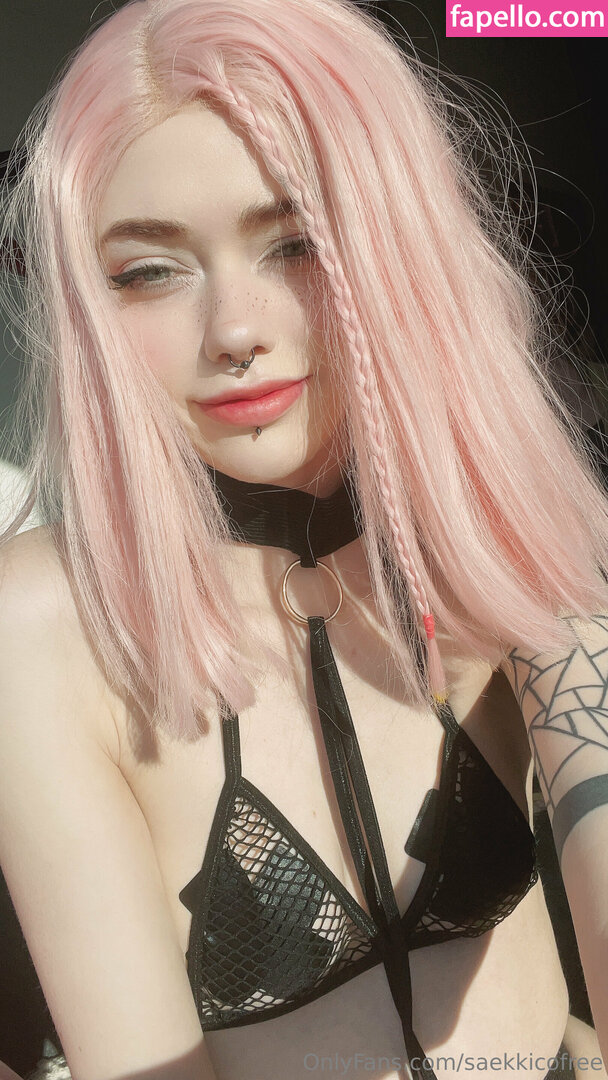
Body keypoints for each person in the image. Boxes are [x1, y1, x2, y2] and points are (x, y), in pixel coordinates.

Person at [0, 1, 607, 1078]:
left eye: (297, 244)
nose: (235, 331)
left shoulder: (507, 525)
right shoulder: (40, 625)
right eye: (148, 271)